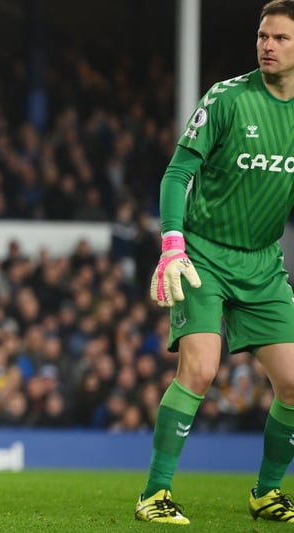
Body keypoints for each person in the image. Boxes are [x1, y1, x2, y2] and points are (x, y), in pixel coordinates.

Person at [135, 0, 294, 524]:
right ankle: (154, 494)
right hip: (202, 255)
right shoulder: (227, 98)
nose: (267, 45)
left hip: (263, 264)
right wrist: (173, 243)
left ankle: (266, 493)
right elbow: (177, 174)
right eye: (263, 36)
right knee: (201, 370)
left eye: (281, 39)